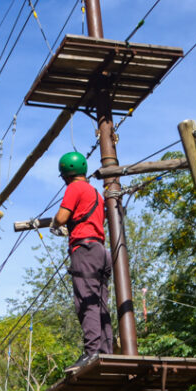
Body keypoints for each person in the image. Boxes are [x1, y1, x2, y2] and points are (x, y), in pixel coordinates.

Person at [49, 151, 114, 367]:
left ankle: (92, 352)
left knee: (86, 302)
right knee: (100, 301)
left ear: (65, 175)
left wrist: (56, 225)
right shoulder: (95, 193)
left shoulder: (74, 188)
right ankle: (106, 350)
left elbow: (62, 216)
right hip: (100, 251)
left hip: (84, 249)